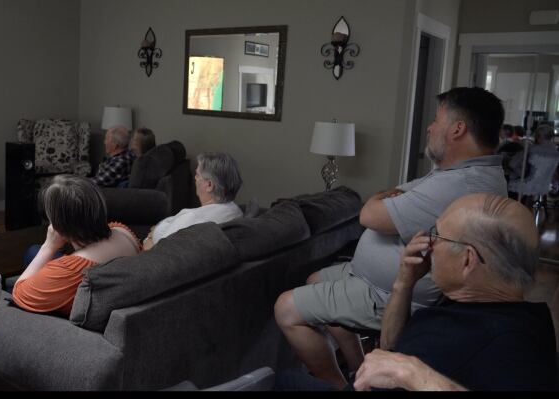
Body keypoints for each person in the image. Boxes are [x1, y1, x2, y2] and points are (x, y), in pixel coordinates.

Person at [274, 87, 508, 389]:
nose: (429, 127)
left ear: (458, 129)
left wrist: (381, 200)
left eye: (436, 120)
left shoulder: (463, 184)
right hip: (373, 279)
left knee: (286, 308)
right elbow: (381, 206)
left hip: (390, 295)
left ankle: (336, 384)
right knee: (315, 280)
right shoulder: (454, 173)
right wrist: (383, 200)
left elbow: (369, 214)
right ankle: (362, 372)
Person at [277, 194, 556, 391]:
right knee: (288, 379)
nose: (427, 243)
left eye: (437, 235)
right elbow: (390, 346)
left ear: (467, 261)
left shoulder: (512, 346)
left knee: (283, 381)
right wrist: (403, 284)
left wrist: (416, 376)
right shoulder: (482, 303)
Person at [11, 175, 141, 315]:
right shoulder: (123, 231)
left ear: (57, 224)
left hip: (65, 312)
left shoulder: (71, 271)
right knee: (32, 251)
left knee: (35, 252)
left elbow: (19, 294)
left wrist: (48, 247)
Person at [142, 152, 243, 250]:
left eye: (197, 175)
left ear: (209, 185)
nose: (195, 178)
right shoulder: (236, 211)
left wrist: (151, 237)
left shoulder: (192, 220)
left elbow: (155, 251)